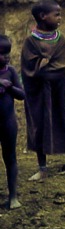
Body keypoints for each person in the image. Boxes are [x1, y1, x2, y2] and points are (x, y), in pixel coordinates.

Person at [21, 0, 65, 181]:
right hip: (39, 92)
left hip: (58, 89)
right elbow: (28, 69)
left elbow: (63, 65)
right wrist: (40, 67)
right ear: (43, 17)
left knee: (64, 121)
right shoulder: (31, 41)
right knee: (39, 124)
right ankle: (42, 167)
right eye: (56, 14)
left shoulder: (60, 40)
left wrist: (48, 68)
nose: (60, 18)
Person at [0, 34, 25, 208]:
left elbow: (22, 95)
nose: (6, 56)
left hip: (8, 123)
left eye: (8, 52)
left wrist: (10, 87)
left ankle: (13, 196)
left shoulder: (11, 72)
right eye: (2, 53)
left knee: (10, 158)